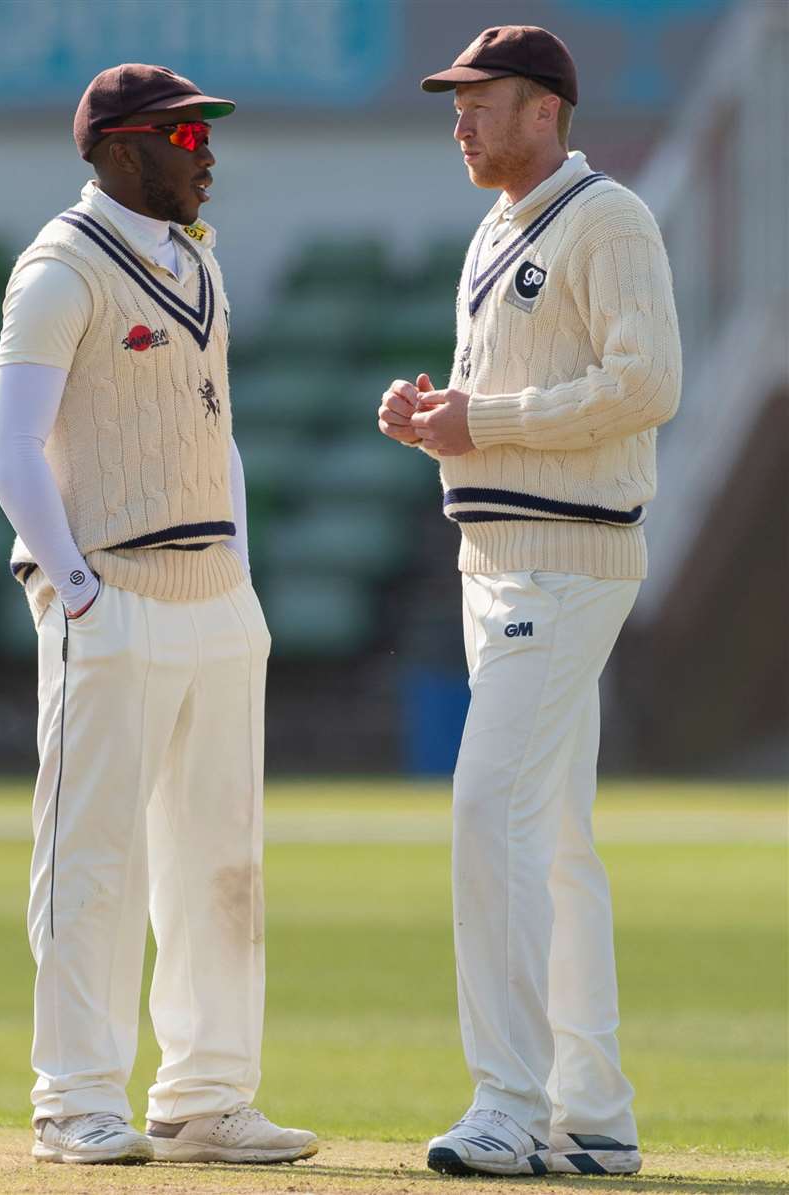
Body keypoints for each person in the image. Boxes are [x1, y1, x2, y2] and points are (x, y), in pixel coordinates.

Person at [0, 63, 317, 1167]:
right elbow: (12, 447)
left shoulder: (201, 265)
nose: (206, 154)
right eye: (185, 139)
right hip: (112, 593)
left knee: (221, 856)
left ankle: (207, 1095)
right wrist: (76, 582)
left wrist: (241, 570)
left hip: (216, 598)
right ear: (121, 149)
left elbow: (215, 434)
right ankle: (76, 1097)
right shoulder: (59, 269)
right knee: (94, 861)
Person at [378, 26, 681, 1179]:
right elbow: (508, 403)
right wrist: (436, 416)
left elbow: (647, 383)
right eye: (454, 103)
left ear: (546, 109)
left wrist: (484, 423)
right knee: (552, 840)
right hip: (495, 555)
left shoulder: (610, 219)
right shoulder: (497, 226)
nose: (459, 122)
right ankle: (593, 1113)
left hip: (565, 562)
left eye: (482, 103)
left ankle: (508, 1100)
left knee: (488, 810)